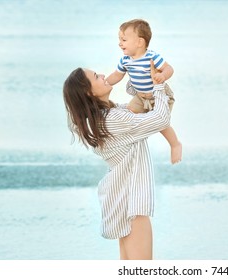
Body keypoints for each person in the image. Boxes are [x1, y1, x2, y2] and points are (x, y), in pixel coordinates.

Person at [63, 60, 169, 260]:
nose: (102, 75)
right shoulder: (112, 120)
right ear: (89, 92)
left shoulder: (103, 118)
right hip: (131, 200)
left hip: (121, 196)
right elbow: (161, 119)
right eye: (96, 76)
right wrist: (159, 86)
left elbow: (135, 109)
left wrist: (140, 79)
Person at [106, 19, 182, 164]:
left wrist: (163, 75)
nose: (120, 43)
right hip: (140, 97)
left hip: (158, 96)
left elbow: (169, 68)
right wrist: (105, 83)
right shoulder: (125, 60)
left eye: (124, 40)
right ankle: (132, 143)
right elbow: (117, 75)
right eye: (119, 40)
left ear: (140, 42)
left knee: (161, 124)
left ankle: (175, 144)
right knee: (130, 113)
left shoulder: (151, 57)